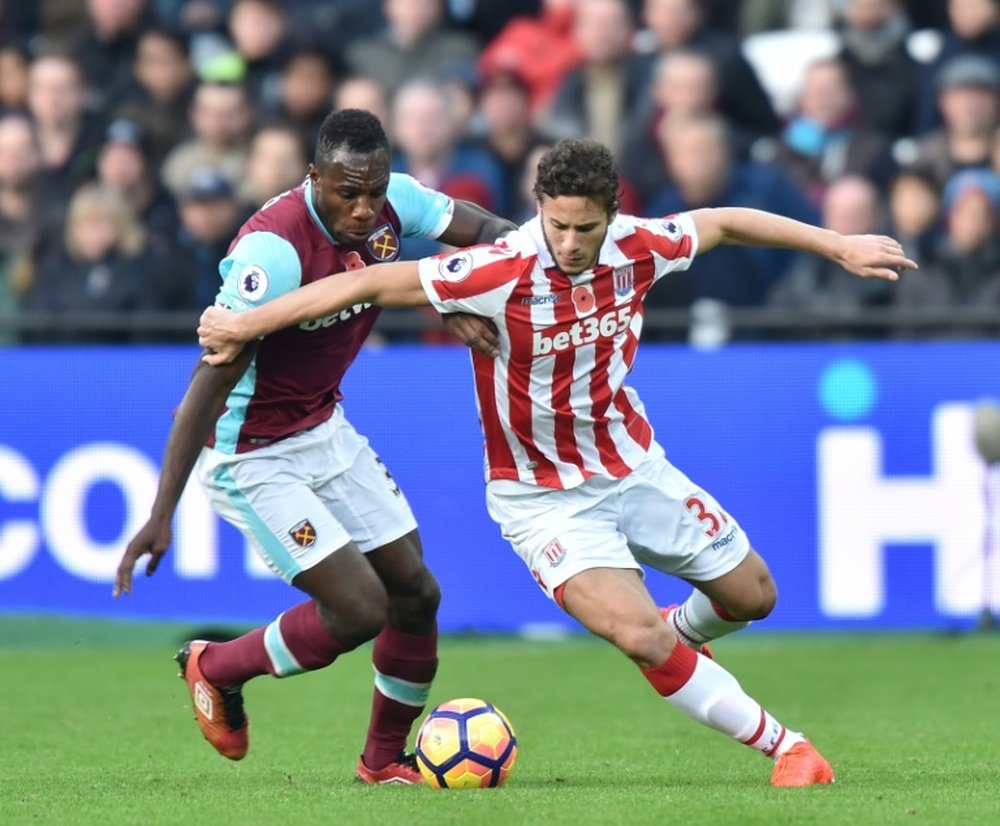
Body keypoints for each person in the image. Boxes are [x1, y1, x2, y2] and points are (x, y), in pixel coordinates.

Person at [196, 138, 917, 787]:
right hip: (540, 499)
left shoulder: (642, 245)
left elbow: (725, 220)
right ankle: (787, 748)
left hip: (633, 467)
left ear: (613, 215)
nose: (569, 243)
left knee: (754, 596)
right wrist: (246, 322)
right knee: (638, 635)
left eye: (585, 227)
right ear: (539, 209)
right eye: (557, 224)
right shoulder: (501, 266)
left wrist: (838, 245)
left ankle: (682, 639)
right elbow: (363, 283)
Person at [114, 108, 515, 784]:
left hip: (324, 428)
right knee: (360, 609)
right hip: (252, 455)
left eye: (374, 192)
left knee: (416, 593)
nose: (364, 210)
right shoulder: (271, 255)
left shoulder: (397, 202)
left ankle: (382, 761)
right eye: (346, 192)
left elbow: (497, 236)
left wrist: (479, 291)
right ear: (313, 179)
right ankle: (216, 666)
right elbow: (203, 393)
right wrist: (162, 512)